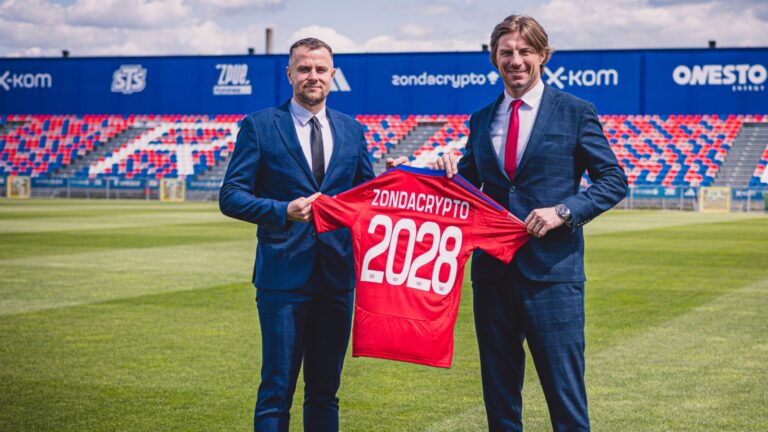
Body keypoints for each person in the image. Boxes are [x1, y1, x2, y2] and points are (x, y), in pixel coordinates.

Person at [437, 15, 628, 432]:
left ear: (543, 55)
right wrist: (427, 171)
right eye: (506, 52)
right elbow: (464, 186)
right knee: (500, 398)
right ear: (494, 58)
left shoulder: (575, 112)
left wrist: (564, 211)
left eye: (525, 51)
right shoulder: (481, 119)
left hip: (552, 277)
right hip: (492, 275)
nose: (516, 60)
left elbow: (614, 180)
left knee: (565, 397)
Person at [219, 38, 404, 432]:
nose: (312, 76)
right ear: (290, 74)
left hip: (337, 278)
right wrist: (281, 211)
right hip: (283, 278)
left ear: (333, 75)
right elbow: (231, 196)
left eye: (321, 69)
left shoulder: (351, 130)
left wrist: (393, 179)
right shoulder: (260, 126)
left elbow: (366, 199)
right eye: (304, 69)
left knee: (325, 392)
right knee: (277, 389)